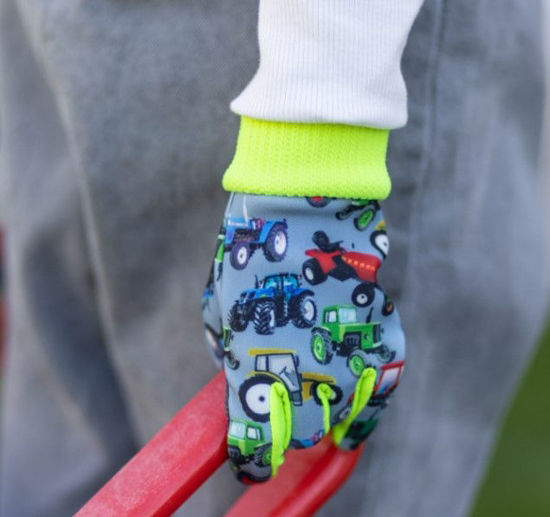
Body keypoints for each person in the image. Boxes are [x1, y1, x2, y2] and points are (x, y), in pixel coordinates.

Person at [0, 1, 547, 515]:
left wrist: (315, 148)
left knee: (281, 454)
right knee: (62, 449)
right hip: (75, 36)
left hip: (313, 51)